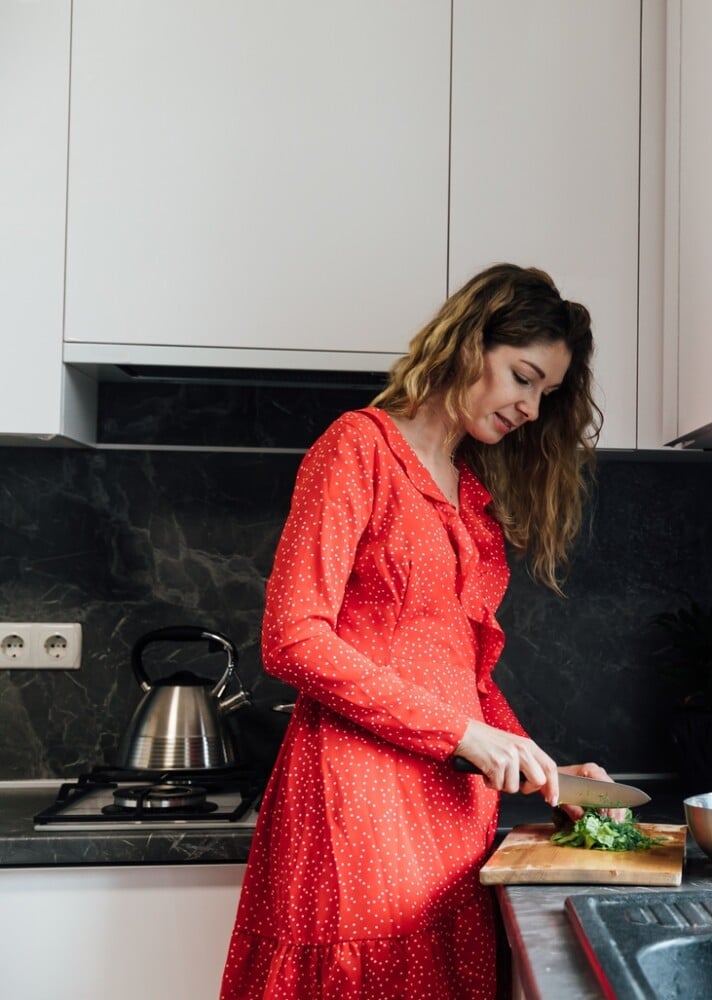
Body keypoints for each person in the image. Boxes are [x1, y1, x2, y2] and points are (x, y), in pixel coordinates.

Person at [221, 263, 614, 1000]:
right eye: (523, 376)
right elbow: (292, 637)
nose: (531, 407)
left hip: (451, 820)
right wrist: (465, 736)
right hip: (356, 807)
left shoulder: (471, 495)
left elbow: (460, 674)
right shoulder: (357, 448)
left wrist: (544, 769)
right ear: (470, 342)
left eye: (547, 394)